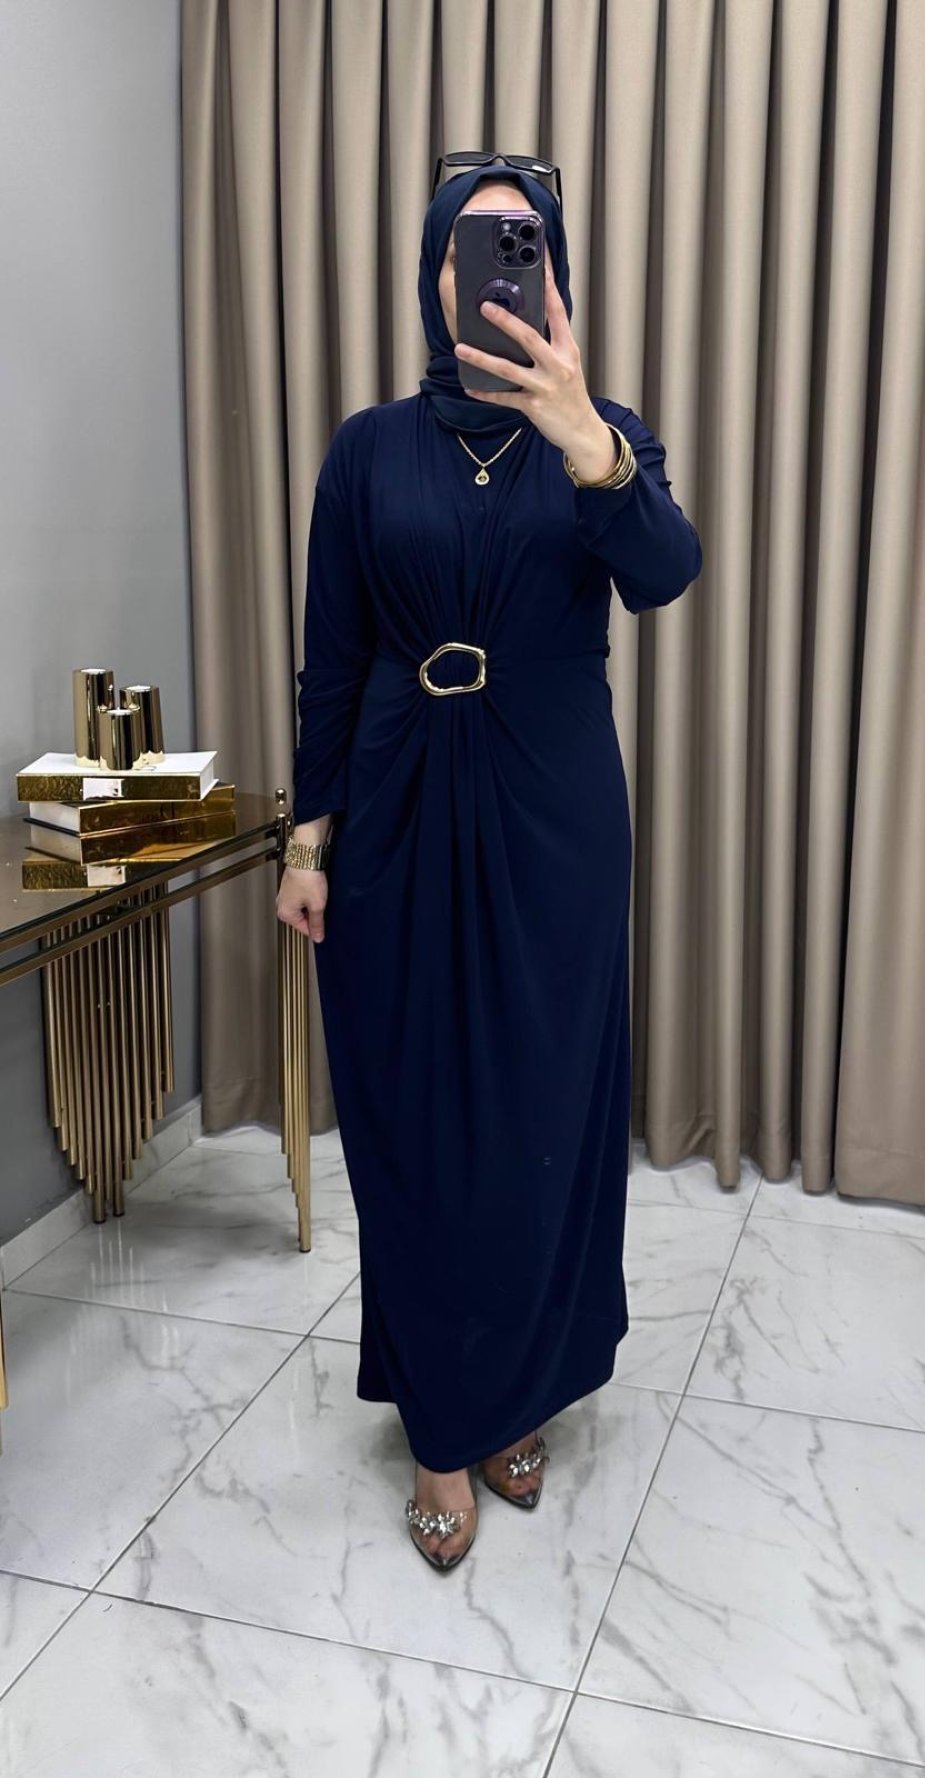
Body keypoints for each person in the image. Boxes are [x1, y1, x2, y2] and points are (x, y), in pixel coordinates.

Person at [276, 159, 703, 1572]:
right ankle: (441, 1426)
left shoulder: (602, 436)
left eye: (522, 247)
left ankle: (523, 1386)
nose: (496, 271)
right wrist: (308, 832)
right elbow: (333, 654)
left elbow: (665, 572)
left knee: (542, 1109)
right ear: (434, 275)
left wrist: (587, 438)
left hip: (551, 814)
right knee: (413, 1116)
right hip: (396, 803)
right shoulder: (367, 451)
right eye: (472, 248)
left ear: (555, 270)